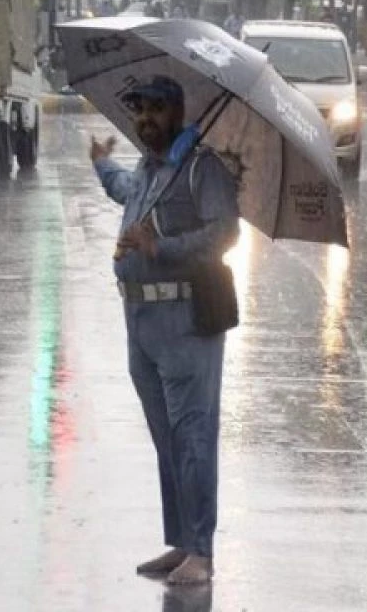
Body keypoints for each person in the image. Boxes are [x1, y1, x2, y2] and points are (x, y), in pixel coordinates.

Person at [88, 75, 240, 587]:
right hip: (140, 323)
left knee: (192, 436)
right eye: (139, 110)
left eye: (155, 109)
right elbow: (125, 191)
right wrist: (101, 164)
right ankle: (180, 541)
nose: (145, 119)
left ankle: (201, 550)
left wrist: (161, 247)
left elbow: (225, 232)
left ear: (177, 113)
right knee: (166, 439)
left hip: (184, 320)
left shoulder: (201, 167)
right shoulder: (151, 167)